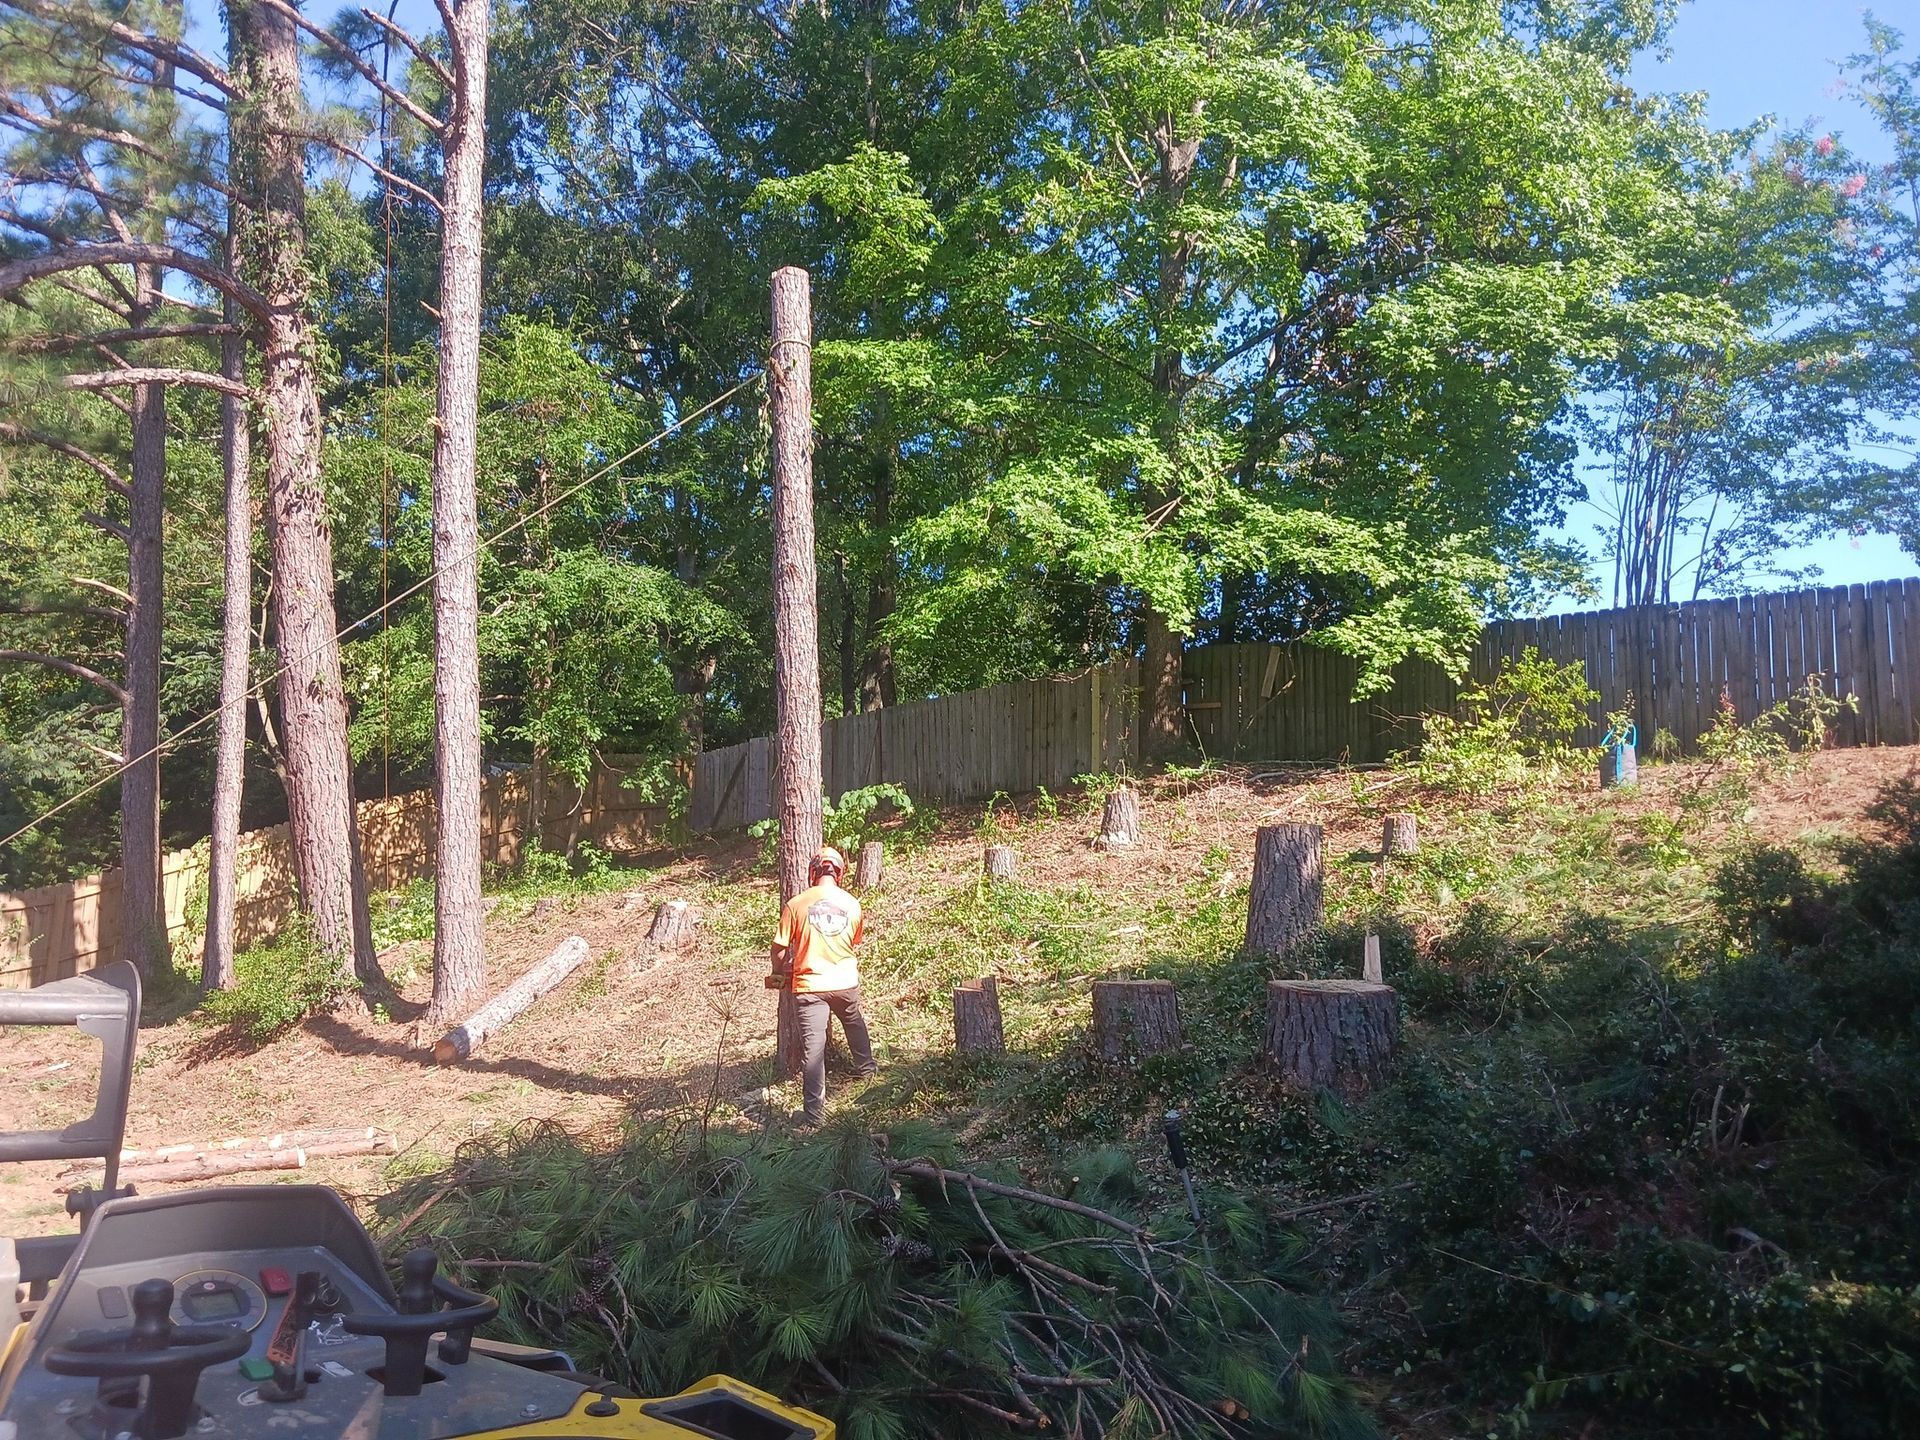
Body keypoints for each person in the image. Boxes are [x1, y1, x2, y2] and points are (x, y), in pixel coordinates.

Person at [769, 846, 877, 1124]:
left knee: (813, 1050)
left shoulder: (796, 904)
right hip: (844, 982)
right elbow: (853, 941)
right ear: (839, 873)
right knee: (854, 1023)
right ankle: (871, 1080)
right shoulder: (853, 904)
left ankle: (814, 1115)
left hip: (809, 986)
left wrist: (779, 972)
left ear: (813, 872)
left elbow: (779, 948)